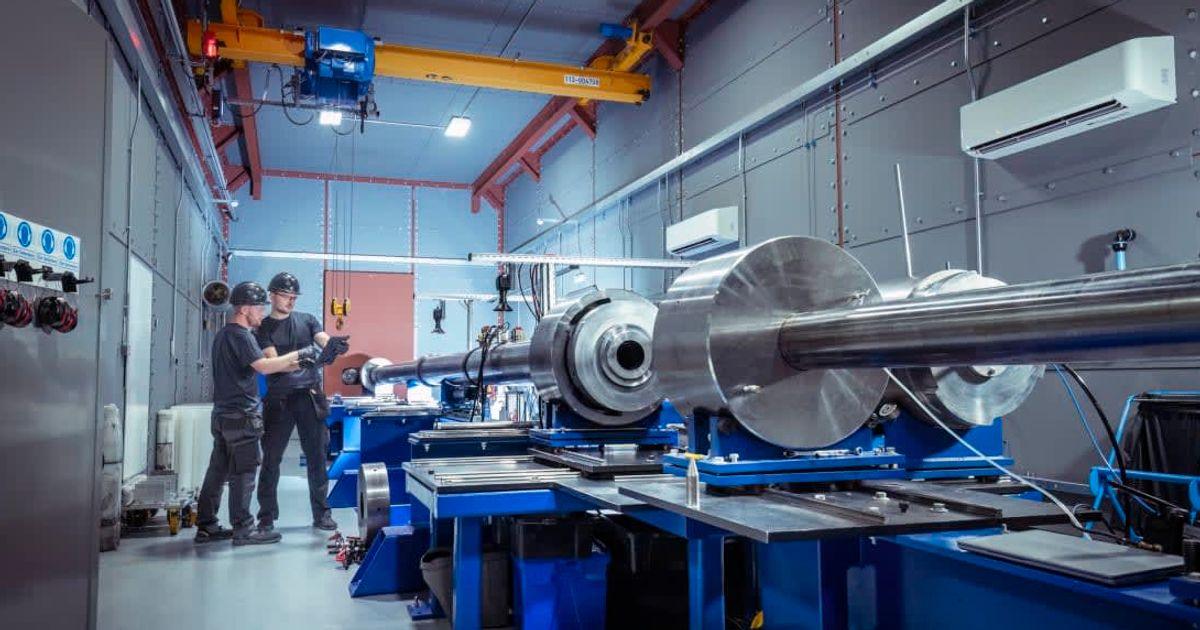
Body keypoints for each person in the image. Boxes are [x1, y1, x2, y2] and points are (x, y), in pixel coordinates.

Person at [195, 281, 314, 545]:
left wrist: (295, 361)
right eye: (259, 308)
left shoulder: (224, 334)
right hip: (242, 416)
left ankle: (206, 525)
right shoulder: (241, 335)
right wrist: (300, 355)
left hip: (223, 415)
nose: (262, 313)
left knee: (218, 470)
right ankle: (244, 529)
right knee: (244, 472)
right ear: (245, 309)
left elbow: (264, 365)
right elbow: (264, 367)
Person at [255, 272, 350, 533]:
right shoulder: (263, 327)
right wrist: (302, 357)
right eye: (286, 296)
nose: (290, 301)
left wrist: (333, 345)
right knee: (271, 459)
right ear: (272, 295)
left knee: (318, 457)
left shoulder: (307, 320)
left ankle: (322, 514)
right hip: (280, 399)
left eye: (294, 297)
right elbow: (273, 361)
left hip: (309, 397)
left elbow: (321, 338)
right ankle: (266, 517)